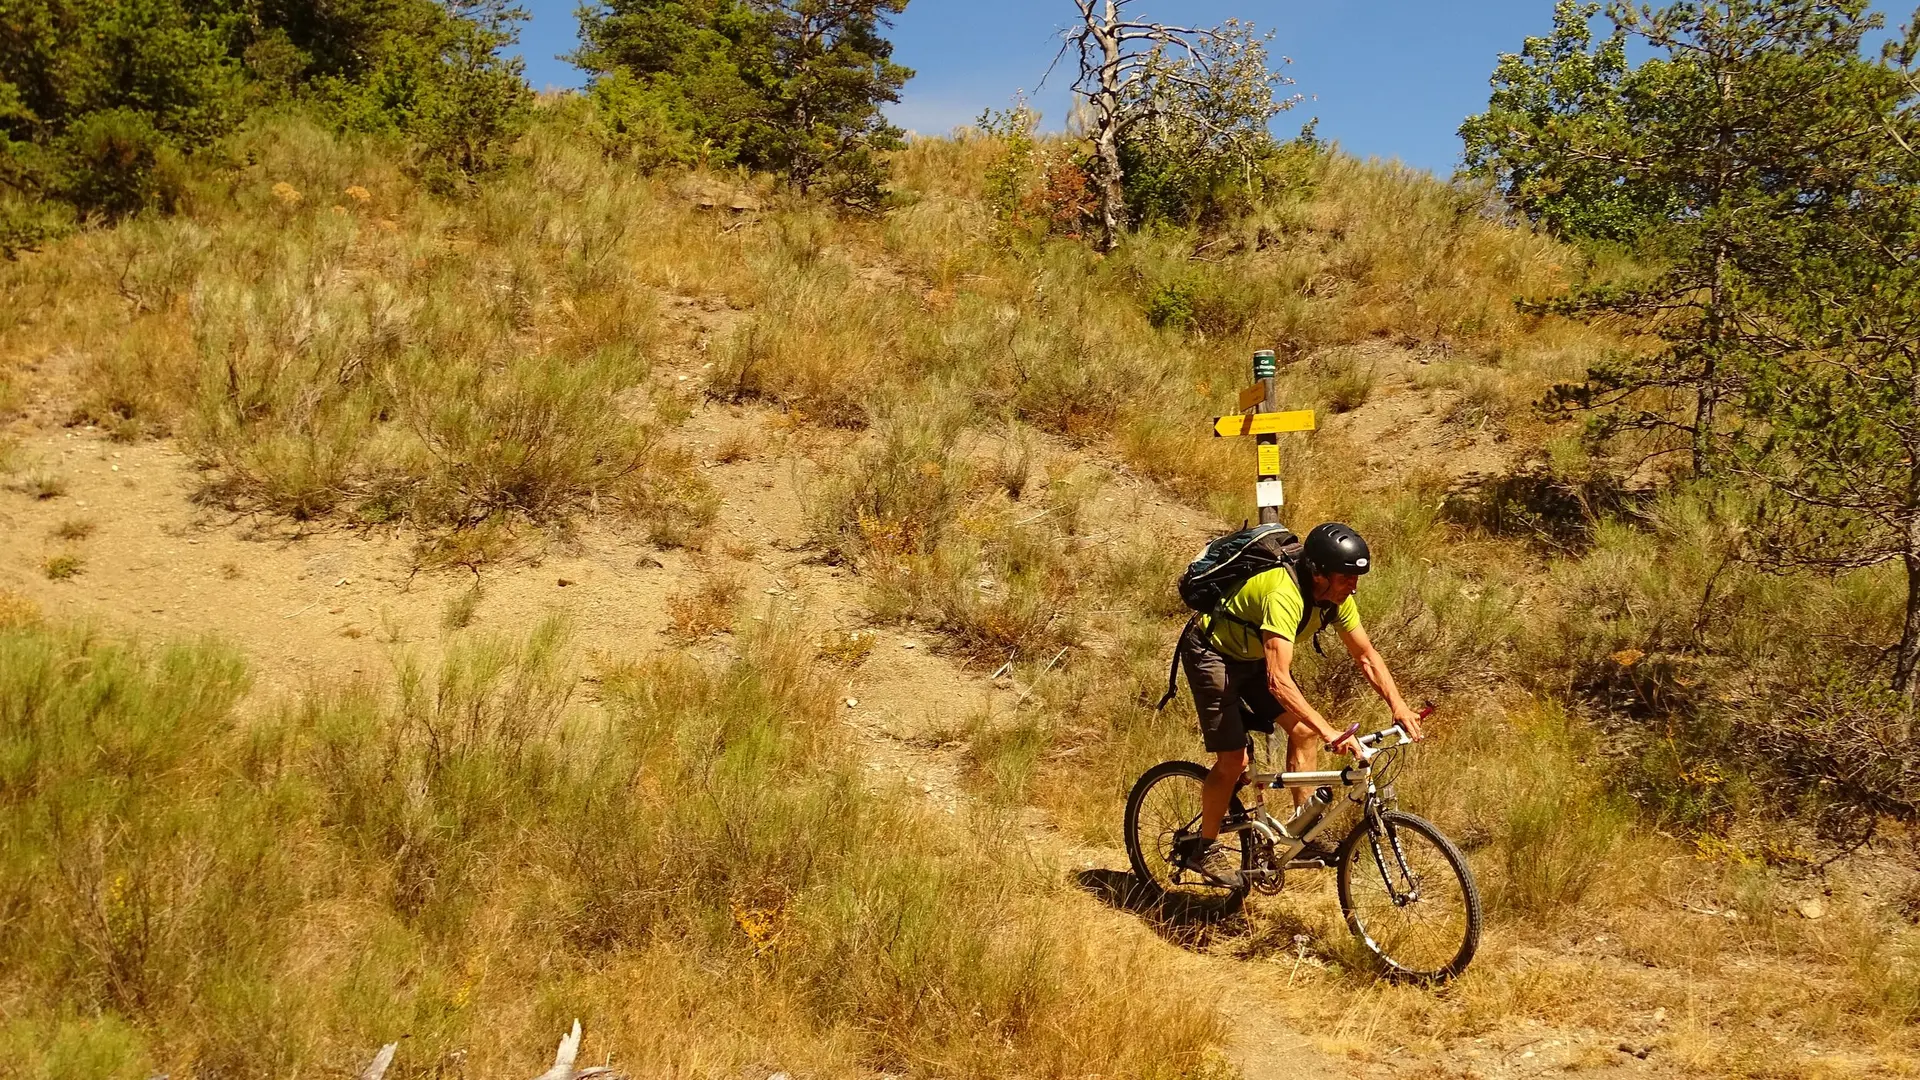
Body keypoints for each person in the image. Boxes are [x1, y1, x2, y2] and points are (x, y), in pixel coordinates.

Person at [1172, 522, 1425, 886]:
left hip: (1251, 655)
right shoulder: (1284, 594)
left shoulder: (1336, 600)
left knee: (1302, 732)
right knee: (1233, 760)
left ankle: (1302, 831)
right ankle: (1204, 848)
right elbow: (1278, 679)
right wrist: (1330, 732)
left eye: (1356, 579)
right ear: (1318, 573)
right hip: (1213, 654)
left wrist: (1398, 705)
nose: (1352, 587)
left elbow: (1366, 655)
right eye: (1345, 578)